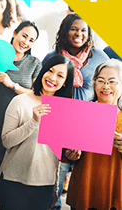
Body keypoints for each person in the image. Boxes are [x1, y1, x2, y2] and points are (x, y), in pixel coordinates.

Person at [43, 13, 109, 210]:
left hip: (89, 124)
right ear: (65, 31)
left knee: (84, 184)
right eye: (74, 29)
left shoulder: (99, 57)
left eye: (83, 30)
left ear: (88, 34)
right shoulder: (52, 57)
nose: (78, 33)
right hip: (59, 122)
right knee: (54, 180)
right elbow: (43, 89)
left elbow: (109, 89)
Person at [0, 55, 75, 210]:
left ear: (65, 82)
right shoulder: (20, 101)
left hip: (45, 185)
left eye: (60, 76)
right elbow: (6, 141)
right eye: (50, 71)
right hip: (13, 182)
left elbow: (61, 155)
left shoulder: (66, 111)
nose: (52, 78)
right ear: (43, 71)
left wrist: (73, 154)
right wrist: (33, 122)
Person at [0, 21, 42, 184]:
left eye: (31, 40)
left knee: (13, 151)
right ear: (15, 32)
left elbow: (36, 93)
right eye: (24, 36)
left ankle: (5, 183)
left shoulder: (34, 63)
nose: (26, 42)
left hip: (21, 114)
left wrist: (12, 85)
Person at [66, 59, 122, 210]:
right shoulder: (81, 113)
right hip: (83, 189)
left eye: (112, 81)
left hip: (114, 192)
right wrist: (69, 154)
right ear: (94, 84)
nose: (106, 86)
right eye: (101, 80)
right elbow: (64, 154)